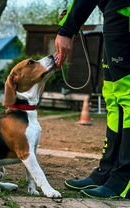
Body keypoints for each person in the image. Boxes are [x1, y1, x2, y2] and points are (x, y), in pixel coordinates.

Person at [55, 0, 130, 199]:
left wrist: (68, 28)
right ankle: (107, 171)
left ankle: (124, 177)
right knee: (113, 96)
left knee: (127, 96)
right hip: (115, 11)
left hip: (123, 9)